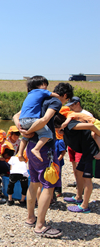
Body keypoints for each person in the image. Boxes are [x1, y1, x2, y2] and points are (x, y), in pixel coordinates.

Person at [13, 79, 74, 238]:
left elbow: (17, 115)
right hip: (44, 149)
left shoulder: (40, 98)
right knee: (49, 184)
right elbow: (45, 120)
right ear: (65, 95)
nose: (65, 102)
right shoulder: (54, 101)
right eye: (67, 100)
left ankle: (30, 218)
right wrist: (27, 131)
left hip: (31, 147)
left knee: (34, 182)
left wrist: (22, 129)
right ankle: (40, 226)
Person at [54, 113, 100, 213]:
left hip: (92, 152)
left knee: (87, 178)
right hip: (86, 151)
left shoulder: (70, 125)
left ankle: (85, 206)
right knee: (79, 172)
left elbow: (91, 126)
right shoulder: (65, 130)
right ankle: (78, 197)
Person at [17, 76, 60, 162]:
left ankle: (20, 153)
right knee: (47, 133)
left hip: (22, 120)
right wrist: (58, 96)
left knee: (25, 137)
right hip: (31, 120)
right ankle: (36, 149)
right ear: (41, 84)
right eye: (45, 85)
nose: (46, 87)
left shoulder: (29, 94)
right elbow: (55, 95)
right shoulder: (41, 91)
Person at [64, 96, 93, 187]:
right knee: (73, 163)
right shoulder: (70, 114)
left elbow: (91, 128)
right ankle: (78, 182)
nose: (71, 107)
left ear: (78, 104)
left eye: (72, 105)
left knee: (79, 163)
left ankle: (83, 183)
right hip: (72, 142)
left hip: (82, 143)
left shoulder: (86, 114)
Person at [54, 127, 66, 197]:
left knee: (58, 176)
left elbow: (63, 152)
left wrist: (58, 160)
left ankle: (58, 190)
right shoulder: (52, 141)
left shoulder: (60, 141)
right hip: (52, 162)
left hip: (58, 162)